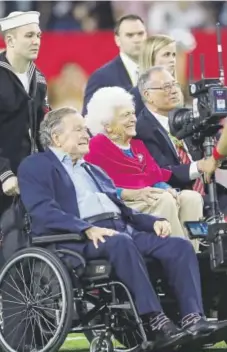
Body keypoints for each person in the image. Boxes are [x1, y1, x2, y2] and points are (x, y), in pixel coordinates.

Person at [18, 107, 227, 351]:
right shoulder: (36, 166)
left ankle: (194, 319)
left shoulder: (92, 169)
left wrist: (152, 222)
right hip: (76, 238)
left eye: (85, 129)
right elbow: (42, 210)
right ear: (56, 138)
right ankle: (155, 322)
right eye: (78, 130)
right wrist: (85, 228)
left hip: (119, 229)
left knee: (178, 246)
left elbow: (123, 209)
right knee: (121, 242)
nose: (86, 134)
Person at [84, 86, 203, 251]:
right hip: (123, 204)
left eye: (133, 113)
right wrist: (133, 193)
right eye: (126, 115)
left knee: (191, 197)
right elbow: (94, 186)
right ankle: (178, 255)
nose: (133, 119)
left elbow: (154, 175)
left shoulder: (137, 144)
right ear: (108, 125)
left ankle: (195, 254)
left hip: (149, 197)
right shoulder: (96, 146)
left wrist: (167, 188)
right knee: (164, 200)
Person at [136, 66, 227, 216]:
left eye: (174, 85)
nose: (173, 90)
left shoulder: (187, 116)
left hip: (211, 191)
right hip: (179, 197)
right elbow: (162, 171)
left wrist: (220, 155)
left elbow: (216, 147)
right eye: (166, 87)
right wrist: (200, 166)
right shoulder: (142, 129)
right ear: (148, 95)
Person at [0, 11, 49, 216]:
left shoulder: (38, 79)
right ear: (10, 40)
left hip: (26, 177)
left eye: (38, 36)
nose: (36, 41)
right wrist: (4, 173)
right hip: (5, 175)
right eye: (29, 36)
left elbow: (43, 127)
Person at [82, 14, 147, 116]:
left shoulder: (157, 72)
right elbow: (89, 118)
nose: (137, 39)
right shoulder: (101, 77)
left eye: (140, 34)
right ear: (117, 40)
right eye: (130, 35)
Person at [130, 34, 180, 116]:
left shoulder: (178, 90)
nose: (172, 60)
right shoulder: (135, 96)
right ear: (150, 57)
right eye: (166, 55)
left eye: (174, 55)